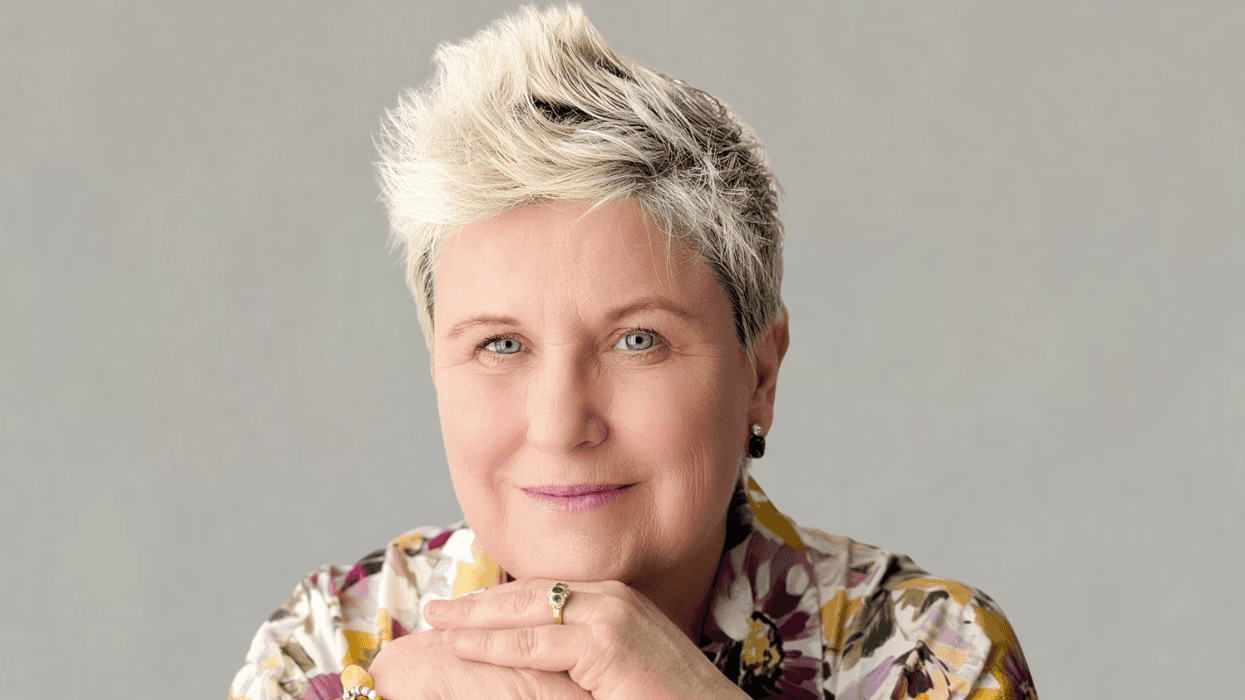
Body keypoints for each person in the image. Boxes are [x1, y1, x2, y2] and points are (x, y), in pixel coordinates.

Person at [228, 4, 1037, 699]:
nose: (559, 424)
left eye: (636, 340)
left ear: (759, 374)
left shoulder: (925, 657)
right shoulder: (331, 650)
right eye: (500, 344)